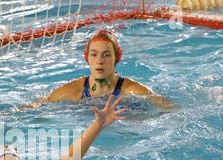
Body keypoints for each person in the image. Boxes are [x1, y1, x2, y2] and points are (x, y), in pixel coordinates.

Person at [30, 29, 175, 110]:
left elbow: (170, 109)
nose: (99, 61)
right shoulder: (74, 91)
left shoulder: (131, 90)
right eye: (94, 55)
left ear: (116, 57)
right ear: (87, 58)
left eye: (106, 55)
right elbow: (40, 105)